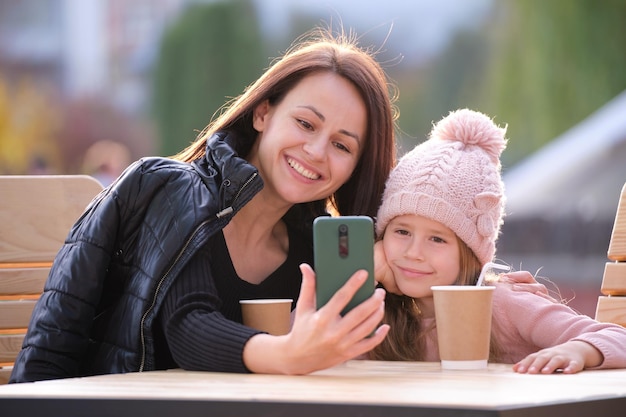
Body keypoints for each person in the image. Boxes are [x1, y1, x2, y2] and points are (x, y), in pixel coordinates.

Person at [9, 26, 397, 383]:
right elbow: (188, 325)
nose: (316, 151)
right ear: (263, 113)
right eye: (306, 124)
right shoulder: (172, 189)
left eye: (342, 145)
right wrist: (287, 353)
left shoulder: (318, 254)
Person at [369, 108, 626, 374]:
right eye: (402, 232)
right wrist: (363, 276)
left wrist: (578, 349)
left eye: (437, 238)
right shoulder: (378, 310)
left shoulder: (503, 304)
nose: (414, 252)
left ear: (469, 252)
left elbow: (619, 338)